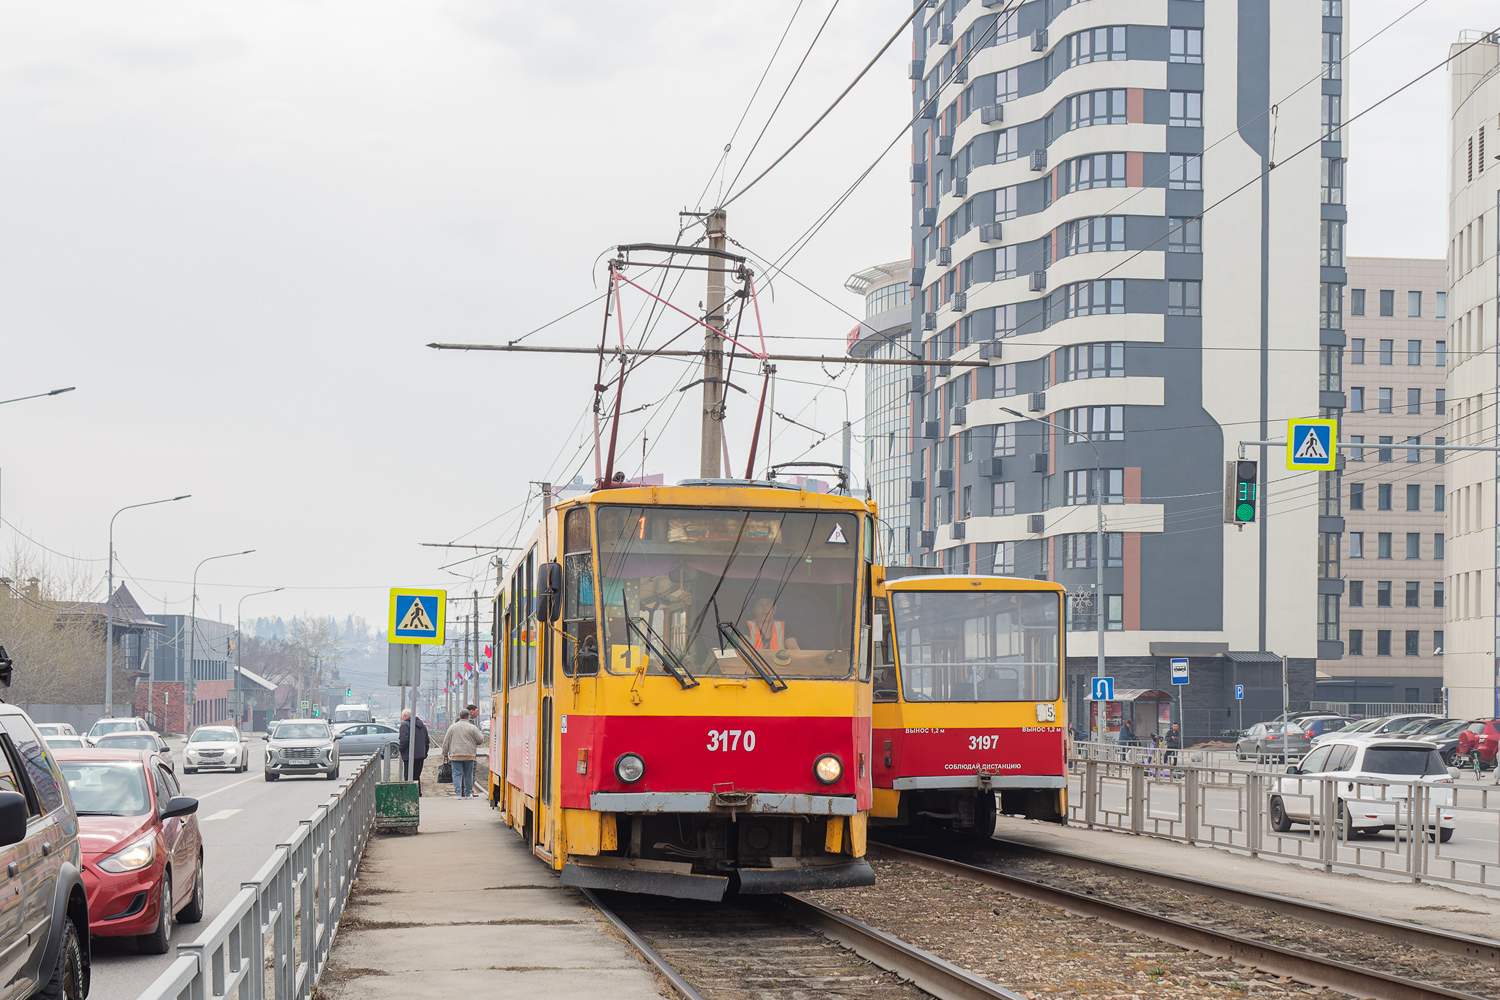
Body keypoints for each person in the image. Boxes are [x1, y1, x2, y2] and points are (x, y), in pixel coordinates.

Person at [442, 709, 485, 799]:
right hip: (469, 755)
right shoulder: (472, 727)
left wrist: (445, 753)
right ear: (468, 717)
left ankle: (458, 794)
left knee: (457, 774)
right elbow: (480, 740)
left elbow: (446, 741)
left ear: (459, 716)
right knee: (468, 774)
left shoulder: (452, 727)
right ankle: (468, 794)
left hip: (455, 755)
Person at [398, 709, 430, 792]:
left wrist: (401, 749)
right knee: (416, 776)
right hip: (420, 755)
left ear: (405, 716)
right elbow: (427, 741)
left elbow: (404, 740)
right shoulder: (422, 725)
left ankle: (409, 795)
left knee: (408, 776)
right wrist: (424, 753)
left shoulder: (405, 725)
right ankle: (418, 793)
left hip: (409, 755)